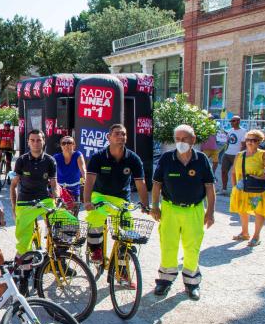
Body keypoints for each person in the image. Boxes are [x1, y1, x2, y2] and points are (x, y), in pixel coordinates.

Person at [151, 125, 215, 301]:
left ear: (193, 140)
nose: (180, 142)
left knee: (192, 247)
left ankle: (192, 283)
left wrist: (210, 212)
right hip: (170, 209)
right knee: (168, 246)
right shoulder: (166, 158)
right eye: (177, 139)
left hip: (194, 210)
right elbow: (157, 184)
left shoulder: (201, 160)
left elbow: (210, 187)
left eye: (184, 139)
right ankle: (165, 280)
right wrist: (155, 206)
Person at [83, 124, 150, 263]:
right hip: (100, 196)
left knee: (127, 228)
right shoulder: (98, 157)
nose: (121, 137)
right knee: (96, 217)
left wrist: (145, 204)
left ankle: (123, 268)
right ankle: (95, 249)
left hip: (121, 198)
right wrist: (87, 201)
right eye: (117, 134)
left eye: (123, 134)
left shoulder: (133, 158)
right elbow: (89, 181)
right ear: (109, 137)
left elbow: (140, 183)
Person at [10, 130, 74, 260]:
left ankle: (58, 260)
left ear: (44, 141)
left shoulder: (50, 160)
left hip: (44, 200)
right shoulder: (21, 160)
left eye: (39, 140)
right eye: (32, 140)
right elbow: (13, 185)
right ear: (28, 142)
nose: (35, 143)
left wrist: (56, 198)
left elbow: (54, 183)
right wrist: (14, 207)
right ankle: (21, 270)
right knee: (23, 245)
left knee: (68, 223)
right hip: (25, 202)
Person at [229, 129, 265, 247]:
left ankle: (256, 236)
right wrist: (234, 187)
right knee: (242, 209)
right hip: (242, 188)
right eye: (248, 139)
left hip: (257, 188)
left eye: (253, 140)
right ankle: (244, 233)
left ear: (259, 141)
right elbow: (233, 172)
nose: (250, 142)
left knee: (259, 211)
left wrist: (259, 178)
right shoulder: (239, 155)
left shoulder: (262, 154)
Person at [53, 136, 86, 201]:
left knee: (74, 210)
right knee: (59, 210)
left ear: (74, 145)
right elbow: (50, 172)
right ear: (61, 146)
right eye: (63, 143)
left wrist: (85, 180)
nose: (66, 145)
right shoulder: (56, 157)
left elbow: (83, 170)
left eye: (69, 143)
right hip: (59, 190)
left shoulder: (78, 155)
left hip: (74, 190)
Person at [219, 116, 247, 195]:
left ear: (238, 121)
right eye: (231, 121)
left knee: (236, 173)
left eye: (233, 121)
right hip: (227, 154)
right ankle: (224, 189)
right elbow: (227, 142)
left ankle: (237, 190)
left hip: (236, 155)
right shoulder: (230, 130)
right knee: (223, 171)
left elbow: (243, 145)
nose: (231, 122)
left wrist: (240, 155)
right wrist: (224, 151)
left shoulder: (243, 131)